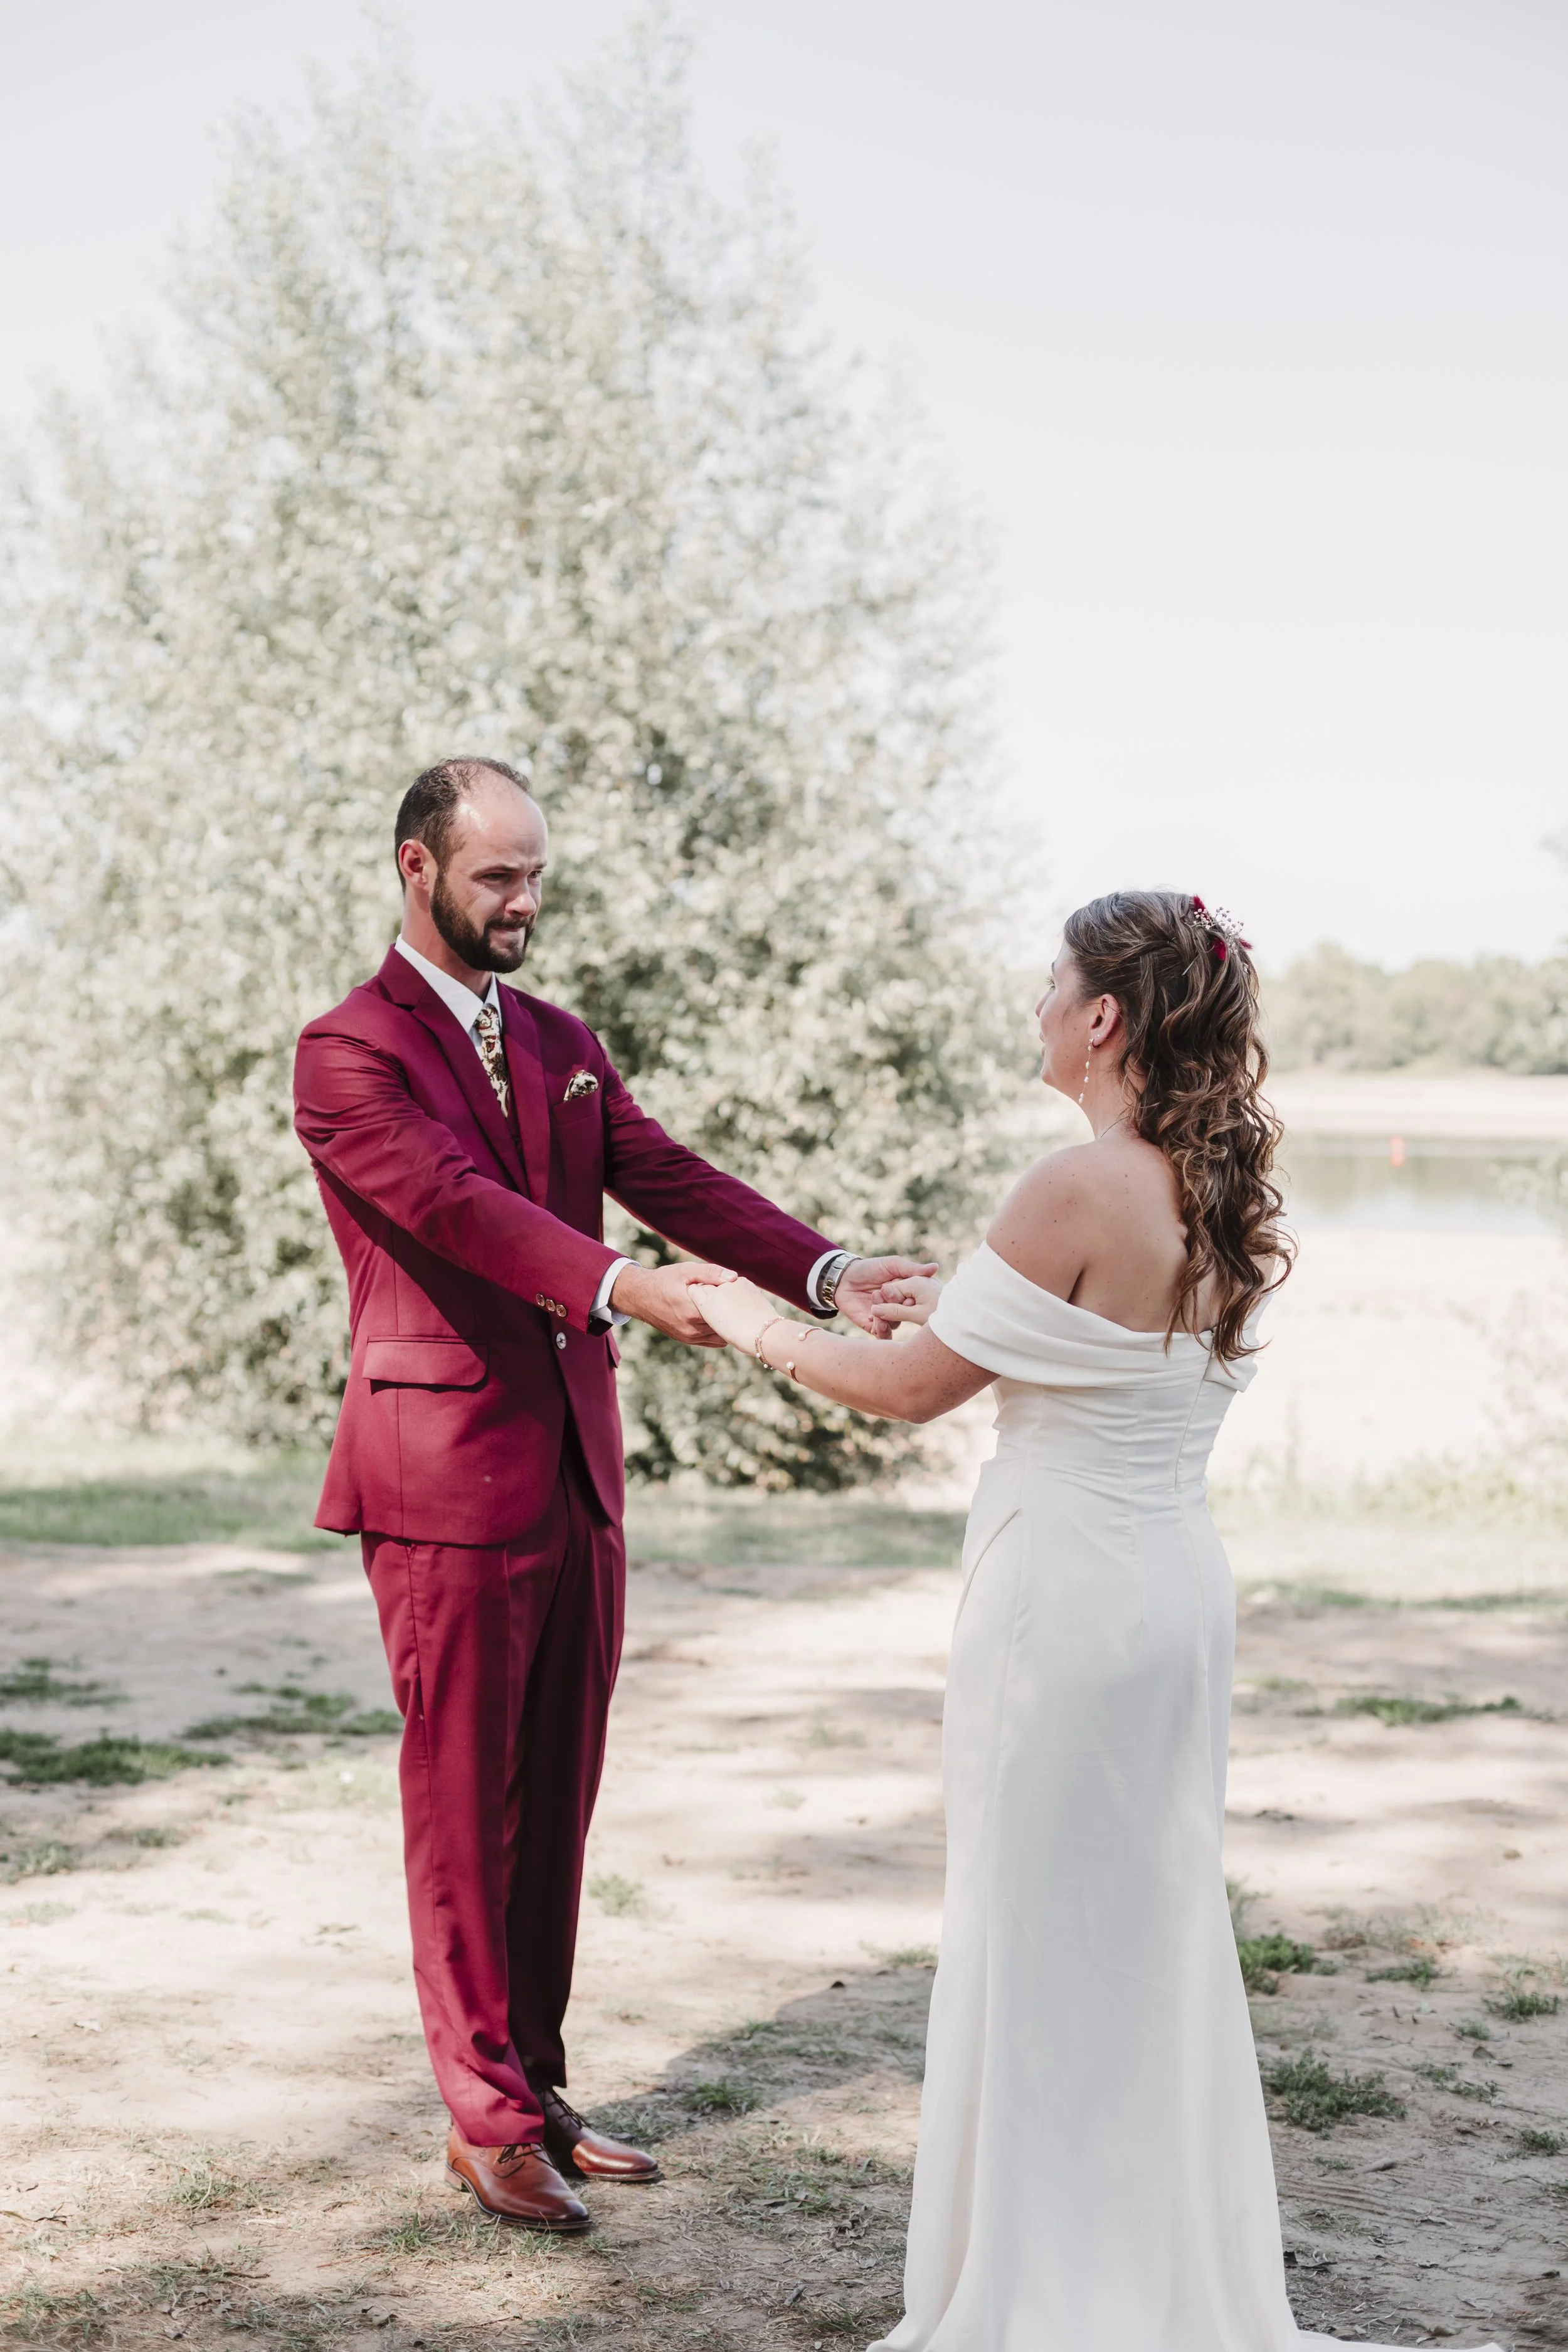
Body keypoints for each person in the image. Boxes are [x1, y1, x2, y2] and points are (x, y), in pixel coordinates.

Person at [691, 891, 1497, 2352]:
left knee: (1038, 1929)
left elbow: (910, 1393)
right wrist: (947, 1311)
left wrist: (747, 1318)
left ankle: (1047, 2284)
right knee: (1140, 1931)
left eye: (1052, 983)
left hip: (1060, 1602)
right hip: (1171, 1590)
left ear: (1104, 1017)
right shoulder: (1215, 1189)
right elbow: (1074, 1348)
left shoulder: (1074, 1183)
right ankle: (1150, 2270)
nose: (1037, 1006)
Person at [292, 756, 931, 2235]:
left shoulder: (561, 1040)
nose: (524, 902)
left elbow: (666, 1173)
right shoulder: (348, 1052)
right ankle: (485, 2123)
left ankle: (538, 2089)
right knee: (465, 1808)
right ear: (416, 869)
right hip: (441, 1478)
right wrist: (629, 1290)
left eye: (536, 876)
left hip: (578, 1467)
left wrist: (830, 1273)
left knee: (557, 1799)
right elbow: (457, 1207)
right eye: (496, 877)